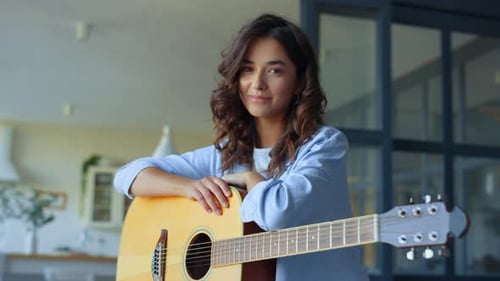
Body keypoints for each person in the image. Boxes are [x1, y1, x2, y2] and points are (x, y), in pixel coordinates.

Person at [114, 13, 369, 281]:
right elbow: (128, 176)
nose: (257, 83)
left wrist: (250, 178)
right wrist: (190, 187)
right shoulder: (225, 153)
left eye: (274, 70)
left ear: (299, 82)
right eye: (247, 69)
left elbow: (277, 213)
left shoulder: (325, 145)